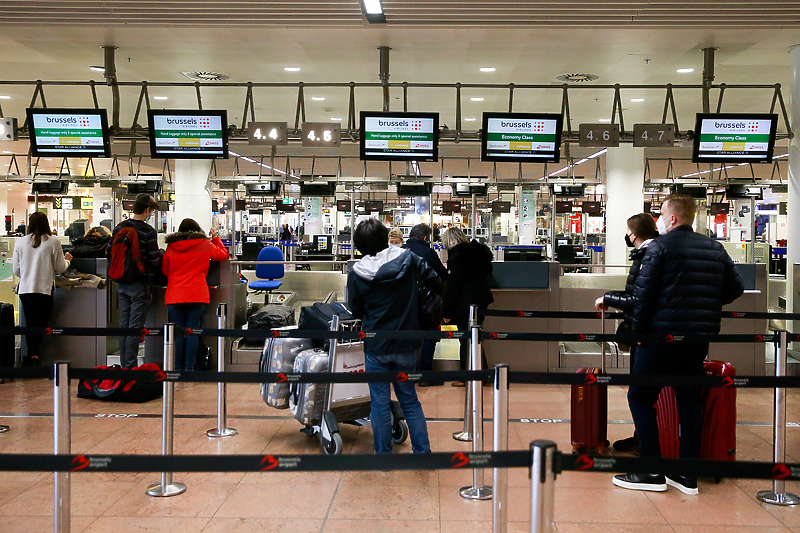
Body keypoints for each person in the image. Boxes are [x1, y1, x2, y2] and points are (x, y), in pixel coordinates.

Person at [612, 194, 744, 496]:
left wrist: (638, 334)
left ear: (672, 218)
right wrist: (705, 304)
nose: (658, 220)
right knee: (689, 404)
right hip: (697, 340)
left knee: (641, 397)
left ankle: (653, 470)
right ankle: (687, 474)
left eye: (660, 214)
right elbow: (734, 288)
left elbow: (643, 298)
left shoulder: (659, 247)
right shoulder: (715, 248)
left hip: (660, 338)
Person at [347, 219, 440, 454]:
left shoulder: (357, 272)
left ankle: (383, 455)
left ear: (359, 246)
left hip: (376, 343)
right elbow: (435, 280)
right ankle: (423, 452)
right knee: (409, 399)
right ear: (385, 237)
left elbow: (355, 308)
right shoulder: (408, 259)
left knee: (379, 402)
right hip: (407, 340)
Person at [594, 213, 659, 454]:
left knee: (640, 394)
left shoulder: (650, 256)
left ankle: (648, 449)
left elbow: (639, 298)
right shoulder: (644, 254)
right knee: (642, 391)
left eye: (629, 231)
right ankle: (640, 437)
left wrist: (609, 298)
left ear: (634, 233)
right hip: (643, 330)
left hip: (647, 332)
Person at [162, 218, 229, 371]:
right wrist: (215, 238)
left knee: (177, 333)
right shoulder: (204, 245)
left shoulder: (171, 247)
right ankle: (189, 369)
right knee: (192, 332)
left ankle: (176, 368)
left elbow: (165, 270)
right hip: (197, 294)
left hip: (175, 294)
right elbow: (224, 255)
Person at [107, 193, 163, 369]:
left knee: (124, 325)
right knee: (135, 327)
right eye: (151, 211)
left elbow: (108, 251)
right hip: (140, 284)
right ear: (147, 210)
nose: (151, 214)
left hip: (121, 283)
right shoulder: (148, 231)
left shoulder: (119, 227)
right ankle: (130, 367)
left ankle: (125, 365)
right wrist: (161, 253)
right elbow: (154, 260)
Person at [12, 212, 72, 367]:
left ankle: (32, 356)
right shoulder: (53, 242)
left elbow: (17, 271)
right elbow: (60, 268)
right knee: (41, 324)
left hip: (25, 289)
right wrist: (68, 261)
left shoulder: (20, 242)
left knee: (31, 324)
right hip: (44, 289)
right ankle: (33, 357)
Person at [441, 227, 493, 386]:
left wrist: (447, 311)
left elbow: (453, 286)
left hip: (465, 305)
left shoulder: (457, 256)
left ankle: (467, 377)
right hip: (481, 300)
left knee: (465, 340)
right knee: (475, 339)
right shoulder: (477, 253)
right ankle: (482, 374)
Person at [403, 223, 448, 387]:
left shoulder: (400, 250)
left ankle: (409, 372)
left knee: (407, 335)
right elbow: (442, 275)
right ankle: (425, 374)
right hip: (426, 302)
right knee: (429, 336)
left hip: (403, 302)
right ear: (425, 237)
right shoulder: (428, 252)